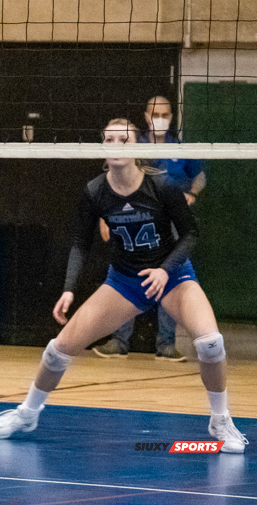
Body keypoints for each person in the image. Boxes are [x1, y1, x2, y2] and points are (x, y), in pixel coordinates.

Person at [0, 119, 246, 455]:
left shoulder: (161, 186)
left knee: (211, 343)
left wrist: (165, 271)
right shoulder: (95, 191)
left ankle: (220, 421)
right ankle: (28, 413)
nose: (116, 144)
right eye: (109, 139)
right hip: (124, 281)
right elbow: (80, 240)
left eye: (124, 139)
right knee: (58, 349)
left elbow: (191, 233)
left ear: (136, 148)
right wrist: (68, 289)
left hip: (172, 276)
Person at [95, 96, 206, 360]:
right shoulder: (135, 143)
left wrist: (192, 193)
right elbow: (114, 180)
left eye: (165, 114)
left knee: (170, 274)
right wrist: (104, 217)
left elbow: (199, 175)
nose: (160, 119)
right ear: (146, 116)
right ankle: (119, 341)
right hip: (140, 217)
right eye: (155, 114)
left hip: (174, 219)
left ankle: (166, 345)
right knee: (129, 273)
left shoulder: (179, 148)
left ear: (172, 116)